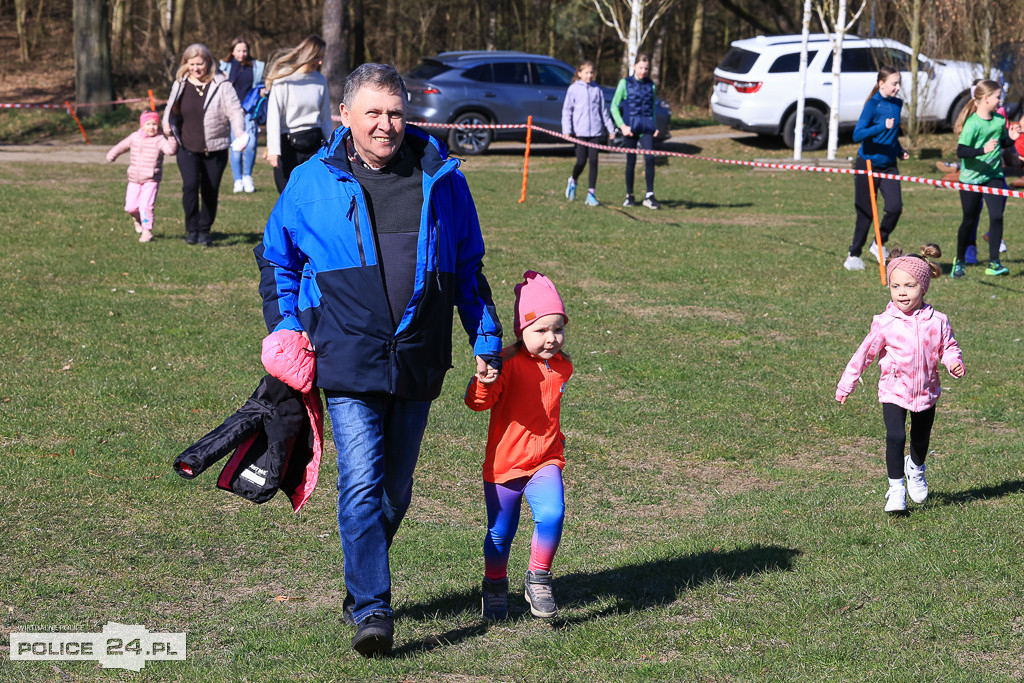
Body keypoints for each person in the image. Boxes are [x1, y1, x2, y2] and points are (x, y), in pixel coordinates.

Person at [254, 63, 503, 657]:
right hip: (345, 351)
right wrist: (288, 328)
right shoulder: (311, 181)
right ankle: (372, 608)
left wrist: (486, 338)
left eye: (395, 112)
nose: (387, 125)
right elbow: (276, 259)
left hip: (418, 355)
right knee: (361, 481)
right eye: (373, 113)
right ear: (345, 116)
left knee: (396, 493)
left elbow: (467, 267)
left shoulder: (442, 177)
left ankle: (359, 581)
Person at [465, 271, 572, 621]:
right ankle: (494, 584)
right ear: (520, 331)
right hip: (505, 466)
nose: (551, 338)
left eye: (557, 329)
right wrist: (482, 382)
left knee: (553, 513)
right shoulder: (506, 364)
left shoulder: (562, 367)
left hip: (546, 461)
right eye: (540, 330)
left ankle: (538, 576)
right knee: (500, 533)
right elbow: (478, 404)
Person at [836, 245, 965, 513]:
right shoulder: (885, 322)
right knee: (895, 436)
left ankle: (915, 469)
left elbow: (948, 346)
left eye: (909, 285)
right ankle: (896, 489)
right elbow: (864, 353)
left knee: (920, 438)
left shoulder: (938, 321)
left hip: (926, 392)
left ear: (924, 286)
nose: (902, 292)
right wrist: (847, 383)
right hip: (894, 389)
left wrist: (953, 361)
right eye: (896, 286)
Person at [163, 43, 247, 246]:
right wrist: (166, 123)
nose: (195, 69)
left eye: (199, 64)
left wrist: (240, 133)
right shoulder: (181, 83)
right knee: (190, 187)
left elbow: (235, 111)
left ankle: (204, 230)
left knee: (210, 190)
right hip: (187, 145)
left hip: (215, 148)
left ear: (208, 62)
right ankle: (191, 229)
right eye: (191, 64)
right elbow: (170, 107)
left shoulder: (221, 84)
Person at [951, 79, 1020, 278]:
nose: (1001, 100)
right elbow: (961, 151)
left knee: (997, 216)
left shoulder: (999, 120)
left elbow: (1002, 142)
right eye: (998, 97)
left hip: (994, 175)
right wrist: (982, 150)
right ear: (986, 98)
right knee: (969, 220)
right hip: (971, 179)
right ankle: (960, 261)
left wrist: (1011, 139)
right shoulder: (972, 123)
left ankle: (994, 263)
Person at [844, 66, 910, 272]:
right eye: (894, 83)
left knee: (894, 208)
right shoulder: (872, 105)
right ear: (881, 84)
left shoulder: (897, 104)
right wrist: (882, 126)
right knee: (865, 213)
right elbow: (857, 135)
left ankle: (878, 242)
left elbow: (892, 135)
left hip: (889, 164)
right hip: (868, 163)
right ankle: (853, 254)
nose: (897, 88)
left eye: (899, 83)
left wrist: (899, 150)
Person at [264, 35, 334, 193]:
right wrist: (274, 150)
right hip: (289, 145)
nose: (320, 62)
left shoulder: (320, 80)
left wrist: (332, 146)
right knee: (287, 194)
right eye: (317, 57)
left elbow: (325, 119)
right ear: (307, 55)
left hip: (314, 144)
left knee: (312, 193)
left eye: (322, 58)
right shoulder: (284, 79)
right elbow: (274, 117)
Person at [105, 111, 178, 243]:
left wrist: (171, 137)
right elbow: (122, 146)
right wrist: (112, 154)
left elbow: (170, 151)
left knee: (145, 206)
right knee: (130, 207)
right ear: (142, 126)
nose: (151, 127)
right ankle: (138, 219)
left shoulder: (160, 140)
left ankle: (147, 231)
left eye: (154, 124)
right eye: (148, 124)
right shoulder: (135, 137)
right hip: (134, 179)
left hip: (150, 180)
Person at [561, 60, 616, 207]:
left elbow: (603, 111)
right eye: (586, 72)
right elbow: (567, 111)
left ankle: (591, 194)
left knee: (593, 162)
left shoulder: (597, 90)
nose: (589, 75)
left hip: (595, 132)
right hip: (580, 132)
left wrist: (610, 129)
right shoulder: (573, 89)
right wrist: (567, 130)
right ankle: (573, 180)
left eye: (591, 72)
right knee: (581, 161)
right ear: (579, 73)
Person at [610, 53, 661, 209]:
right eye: (640, 68)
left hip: (646, 129)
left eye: (646, 68)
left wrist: (654, 126)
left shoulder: (651, 85)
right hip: (630, 130)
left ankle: (649, 195)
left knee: (650, 158)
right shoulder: (624, 84)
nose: (643, 71)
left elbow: (651, 108)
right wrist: (622, 126)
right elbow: (614, 107)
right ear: (634, 67)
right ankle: (630, 195)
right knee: (630, 162)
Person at [219, 37, 265, 194]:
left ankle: (247, 176)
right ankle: (237, 179)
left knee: (251, 144)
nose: (242, 54)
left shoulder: (256, 66)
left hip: (250, 111)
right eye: (238, 50)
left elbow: (263, 84)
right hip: (233, 112)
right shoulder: (225, 67)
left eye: (244, 50)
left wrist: (263, 90)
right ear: (232, 51)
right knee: (237, 146)